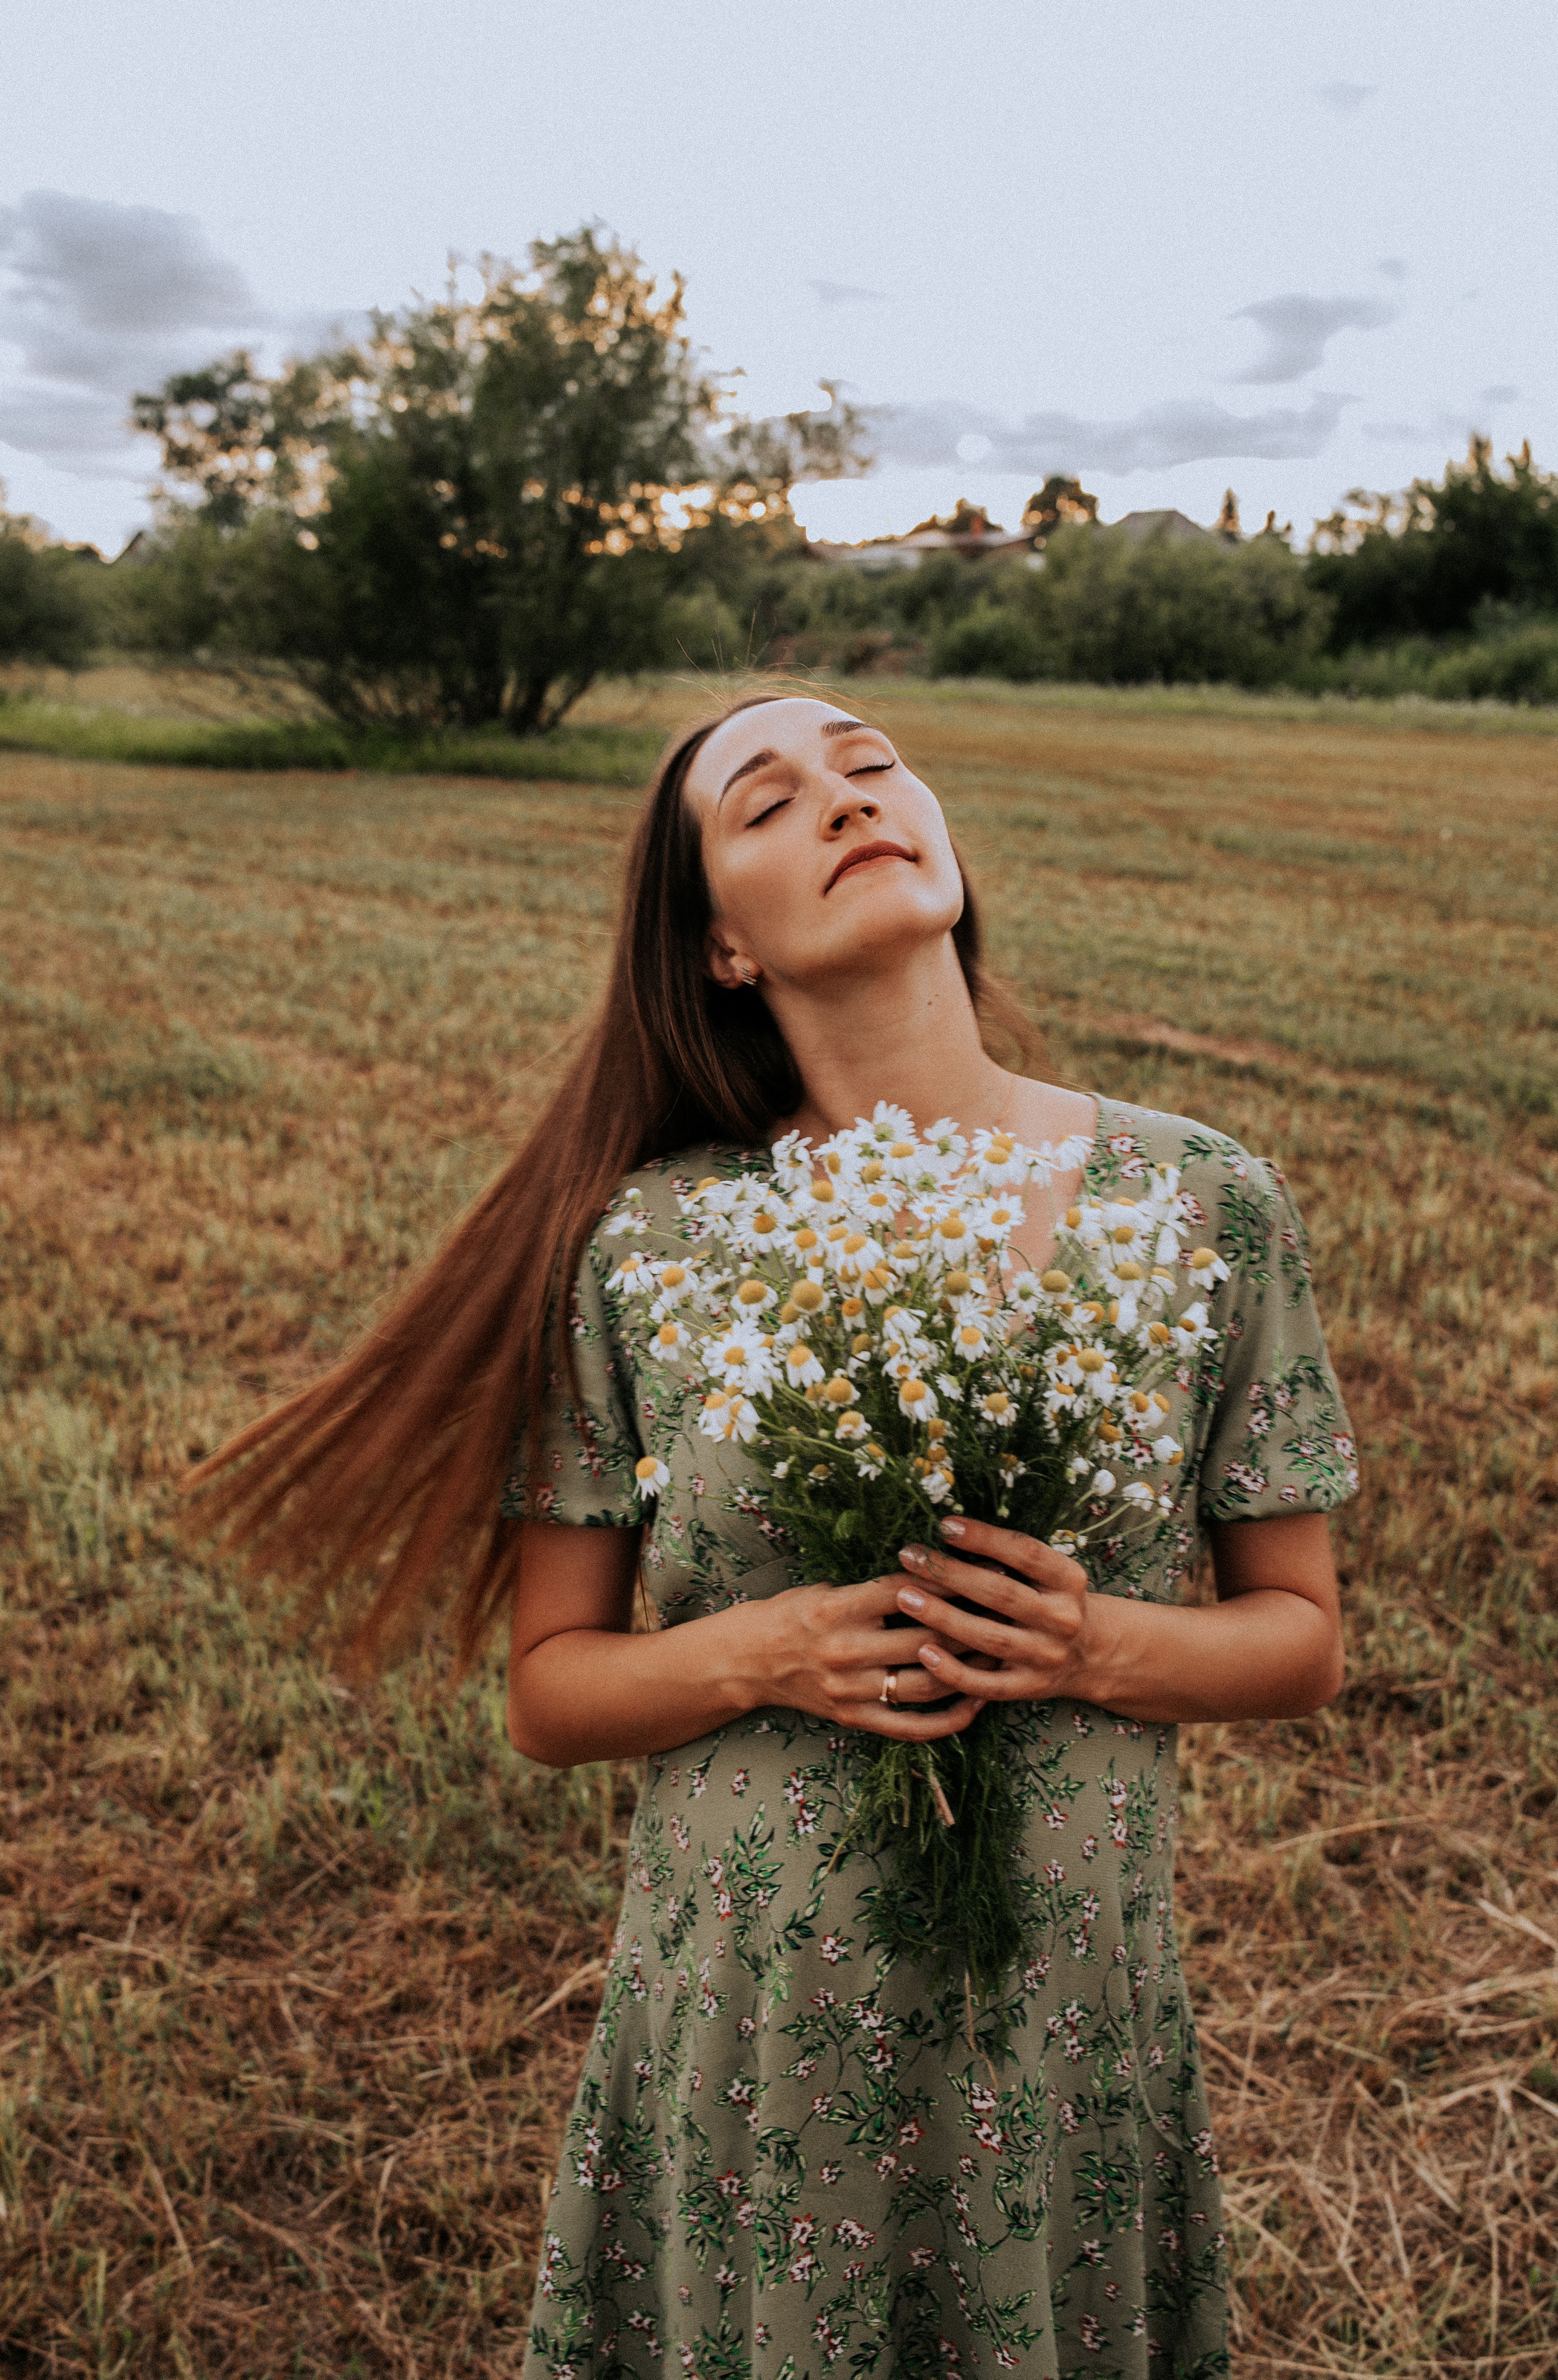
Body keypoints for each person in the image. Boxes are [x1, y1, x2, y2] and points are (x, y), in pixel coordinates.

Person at [193, 693, 1357, 2380]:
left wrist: (1099, 1644)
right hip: (764, 2013)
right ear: (723, 946)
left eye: (872, 765)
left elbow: (1303, 1641)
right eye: (770, 800)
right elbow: (552, 1693)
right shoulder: (651, 1247)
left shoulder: (1206, 1202)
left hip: (1066, 2000)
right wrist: (773, 1648)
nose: (844, 797)